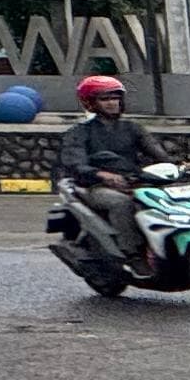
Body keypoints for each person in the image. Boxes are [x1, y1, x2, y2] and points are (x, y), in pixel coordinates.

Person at [56, 73, 164, 266]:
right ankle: (133, 253)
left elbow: (159, 153)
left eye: (115, 98)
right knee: (122, 203)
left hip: (132, 182)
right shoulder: (79, 132)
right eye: (105, 99)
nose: (112, 103)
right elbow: (75, 163)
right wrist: (102, 175)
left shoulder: (133, 129)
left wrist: (186, 166)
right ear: (91, 103)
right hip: (95, 187)